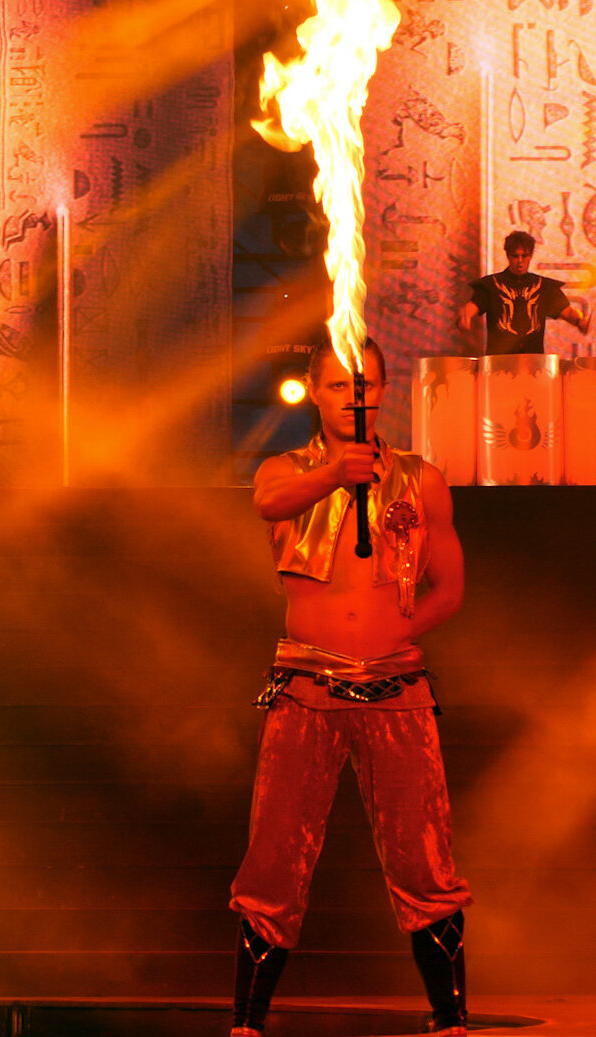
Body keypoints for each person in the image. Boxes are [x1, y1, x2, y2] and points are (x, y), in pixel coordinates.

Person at [228, 339, 471, 1037]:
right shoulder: (286, 471)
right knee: (273, 858)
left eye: (363, 384)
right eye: (336, 385)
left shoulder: (420, 480)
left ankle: (448, 1017)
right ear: (314, 393)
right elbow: (266, 504)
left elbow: (448, 589)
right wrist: (336, 471)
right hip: (305, 685)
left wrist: (394, 634)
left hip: (395, 690)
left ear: (385, 388)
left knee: (425, 859)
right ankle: (247, 1021)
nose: (351, 396)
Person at [457, 230, 590, 353]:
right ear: (508, 256)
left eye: (524, 256)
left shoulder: (544, 287)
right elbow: (472, 307)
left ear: (531, 255)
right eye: (515, 256)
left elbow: (566, 311)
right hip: (499, 363)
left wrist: (579, 322)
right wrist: (466, 316)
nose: (520, 261)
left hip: (533, 363)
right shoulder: (491, 285)